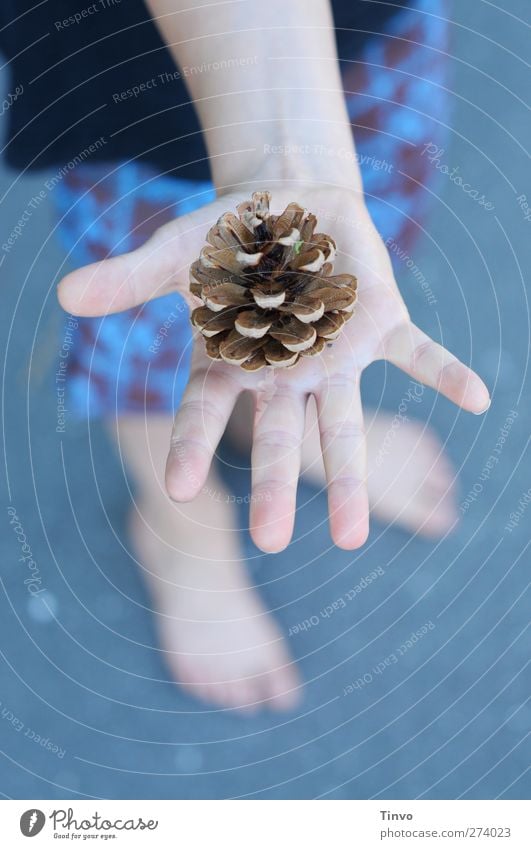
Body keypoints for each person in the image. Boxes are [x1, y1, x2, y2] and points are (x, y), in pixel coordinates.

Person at [1, 0, 490, 711]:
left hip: (377, 30)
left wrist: (308, 169)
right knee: (148, 325)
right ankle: (177, 516)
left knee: (366, 236)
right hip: (142, 92)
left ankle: (287, 423)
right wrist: (279, 155)